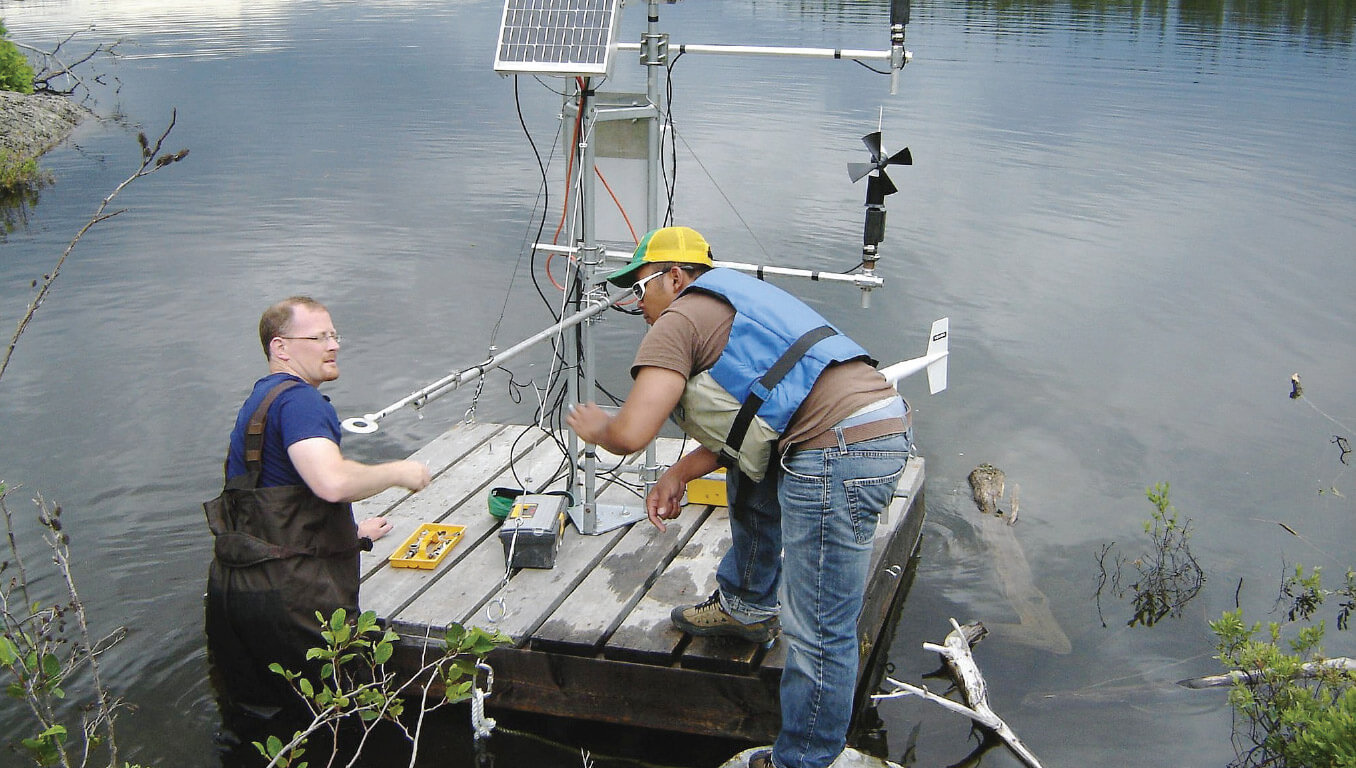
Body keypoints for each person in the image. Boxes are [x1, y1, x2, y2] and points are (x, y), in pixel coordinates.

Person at [567, 227, 911, 768]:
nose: (639, 306)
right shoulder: (737, 299)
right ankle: (747, 605)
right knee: (753, 472)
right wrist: (682, 468)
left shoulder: (678, 317)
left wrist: (598, 429)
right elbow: (758, 420)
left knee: (819, 626)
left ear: (675, 277)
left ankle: (804, 760)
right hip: (870, 425)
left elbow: (632, 435)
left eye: (641, 289)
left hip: (837, 452)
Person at [204, 295, 431, 720]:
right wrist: (400, 471)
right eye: (319, 336)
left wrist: (353, 534)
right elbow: (331, 482)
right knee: (331, 721)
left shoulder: (259, 403)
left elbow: (273, 503)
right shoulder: (302, 403)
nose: (334, 345)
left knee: (258, 725)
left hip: (235, 593)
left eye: (334, 335)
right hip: (292, 606)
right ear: (281, 347)